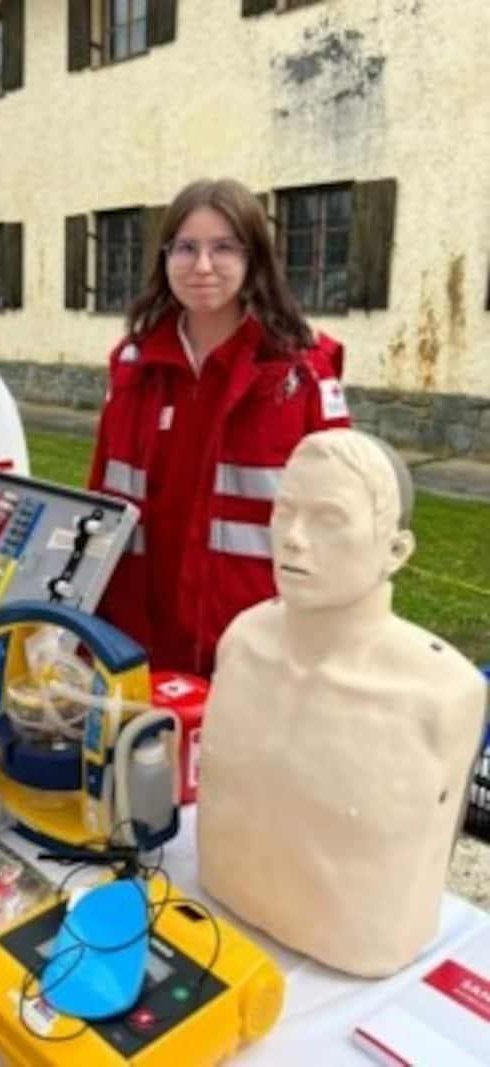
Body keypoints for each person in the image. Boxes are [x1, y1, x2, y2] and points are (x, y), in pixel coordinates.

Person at [197, 429, 487, 976]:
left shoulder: (438, 697)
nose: (294, 539)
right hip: (214, 916)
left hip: (359, 954)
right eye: (285, 511)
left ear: (395, 551)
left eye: (328, 519)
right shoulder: (241, 644)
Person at [88, 178, 350, 677]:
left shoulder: (301, 372)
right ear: (165, 260)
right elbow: (101, 492)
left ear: (254, 259)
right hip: (138, 636)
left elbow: (341, 518)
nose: (202, 266)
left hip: (257, 642)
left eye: (223, 247)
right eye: (185, 248)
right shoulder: (132, 366)